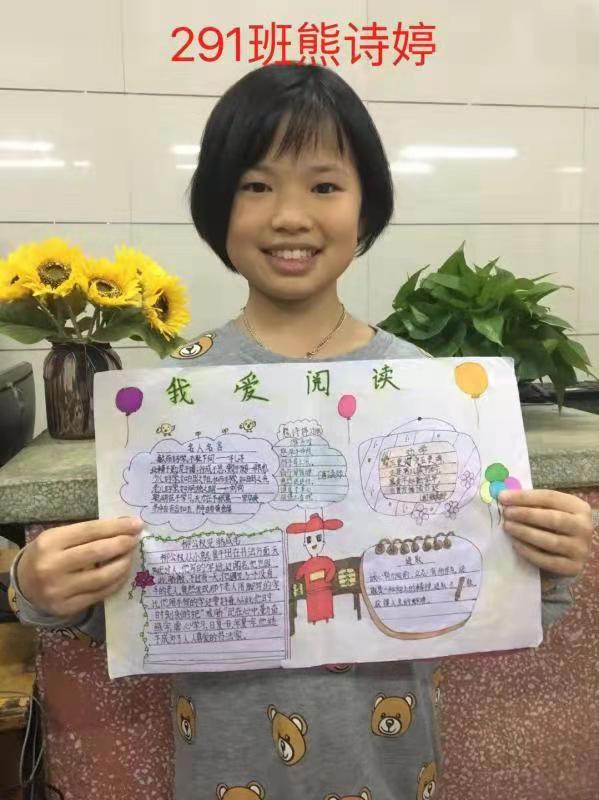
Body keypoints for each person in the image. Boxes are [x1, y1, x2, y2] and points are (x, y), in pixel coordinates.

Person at [10, 64, 592, 799]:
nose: (290, 216)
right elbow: (131, 608)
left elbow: (495, 593)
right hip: (224, 774)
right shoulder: (170, 396)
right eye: (256, 186)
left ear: (366, 206)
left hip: (391, 770)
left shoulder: (423, 387)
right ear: (217, 206)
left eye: (324, 186)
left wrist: (550, 558)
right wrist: (37, 586)